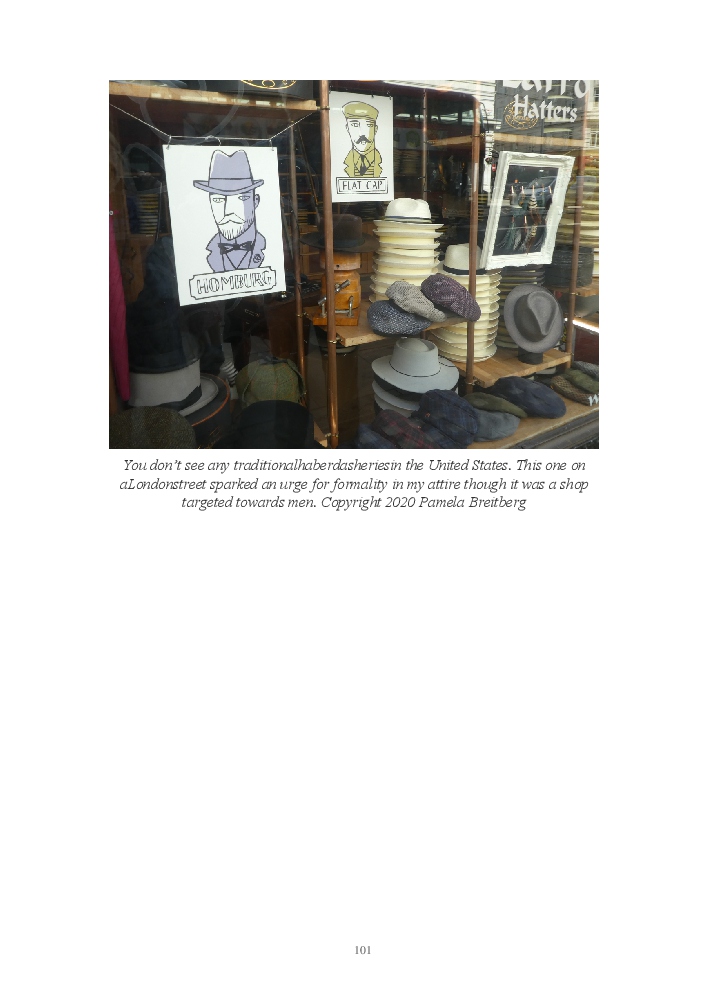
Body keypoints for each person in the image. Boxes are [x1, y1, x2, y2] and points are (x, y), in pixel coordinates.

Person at [193, 149, 266, 272]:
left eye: (241, 198)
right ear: (210, 203)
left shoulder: (272, 246)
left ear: (255, 202)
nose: (228, 211)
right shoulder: (198, 252)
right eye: (218, 200)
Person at [342, 101, 382, 178]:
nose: (362, 134)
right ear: (347, 128)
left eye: (368, 125)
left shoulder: (384, 162)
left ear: (375, 129)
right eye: (355, 125)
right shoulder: (341, 162)